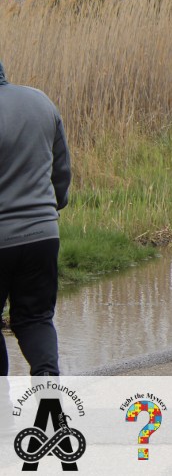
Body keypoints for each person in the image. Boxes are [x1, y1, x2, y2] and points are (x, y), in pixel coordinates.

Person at [0, 60, 72, 376]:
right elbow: (61, 169)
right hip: (43, 233)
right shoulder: (40, 101)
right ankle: (47, 387)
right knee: (36, 319)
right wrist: (54, 205)